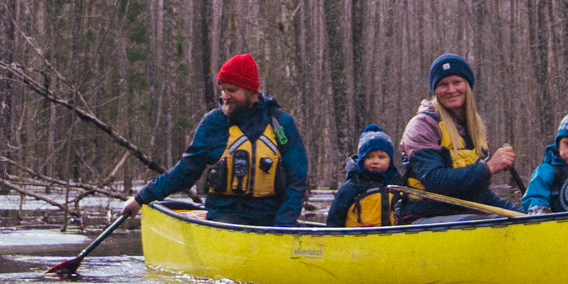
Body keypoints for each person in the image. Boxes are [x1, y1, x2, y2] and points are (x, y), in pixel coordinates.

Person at [129, 53, 307, 225]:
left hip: (270, 218)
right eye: (223, 90)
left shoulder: (280, 124)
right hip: (224, 216)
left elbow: (297, 180)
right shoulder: (213, 123)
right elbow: (185, 172)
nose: (225, 96)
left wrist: (283, 224)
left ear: (251, 90)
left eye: (232, 90)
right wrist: (141, 197)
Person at [398, 52, 515, 220]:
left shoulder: (477, 129)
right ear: (436, 90)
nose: (451, 90)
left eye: (457, 82)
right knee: (481, 225)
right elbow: (434, 181)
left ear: (467, 86)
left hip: (464, 213)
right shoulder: (421, 126)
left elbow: (479, 194)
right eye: (443, 84)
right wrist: (488, 168)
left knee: (510, 221)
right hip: (423, 214)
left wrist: (521, 214)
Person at [323, 127, 410, 228]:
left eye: (381, 157)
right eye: (369, 157)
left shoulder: (395, 182)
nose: (375, 161)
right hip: (356, 236)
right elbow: (336, 212)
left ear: (390, 160)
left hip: (389, 235)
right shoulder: (354, 184)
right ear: (362, 160)